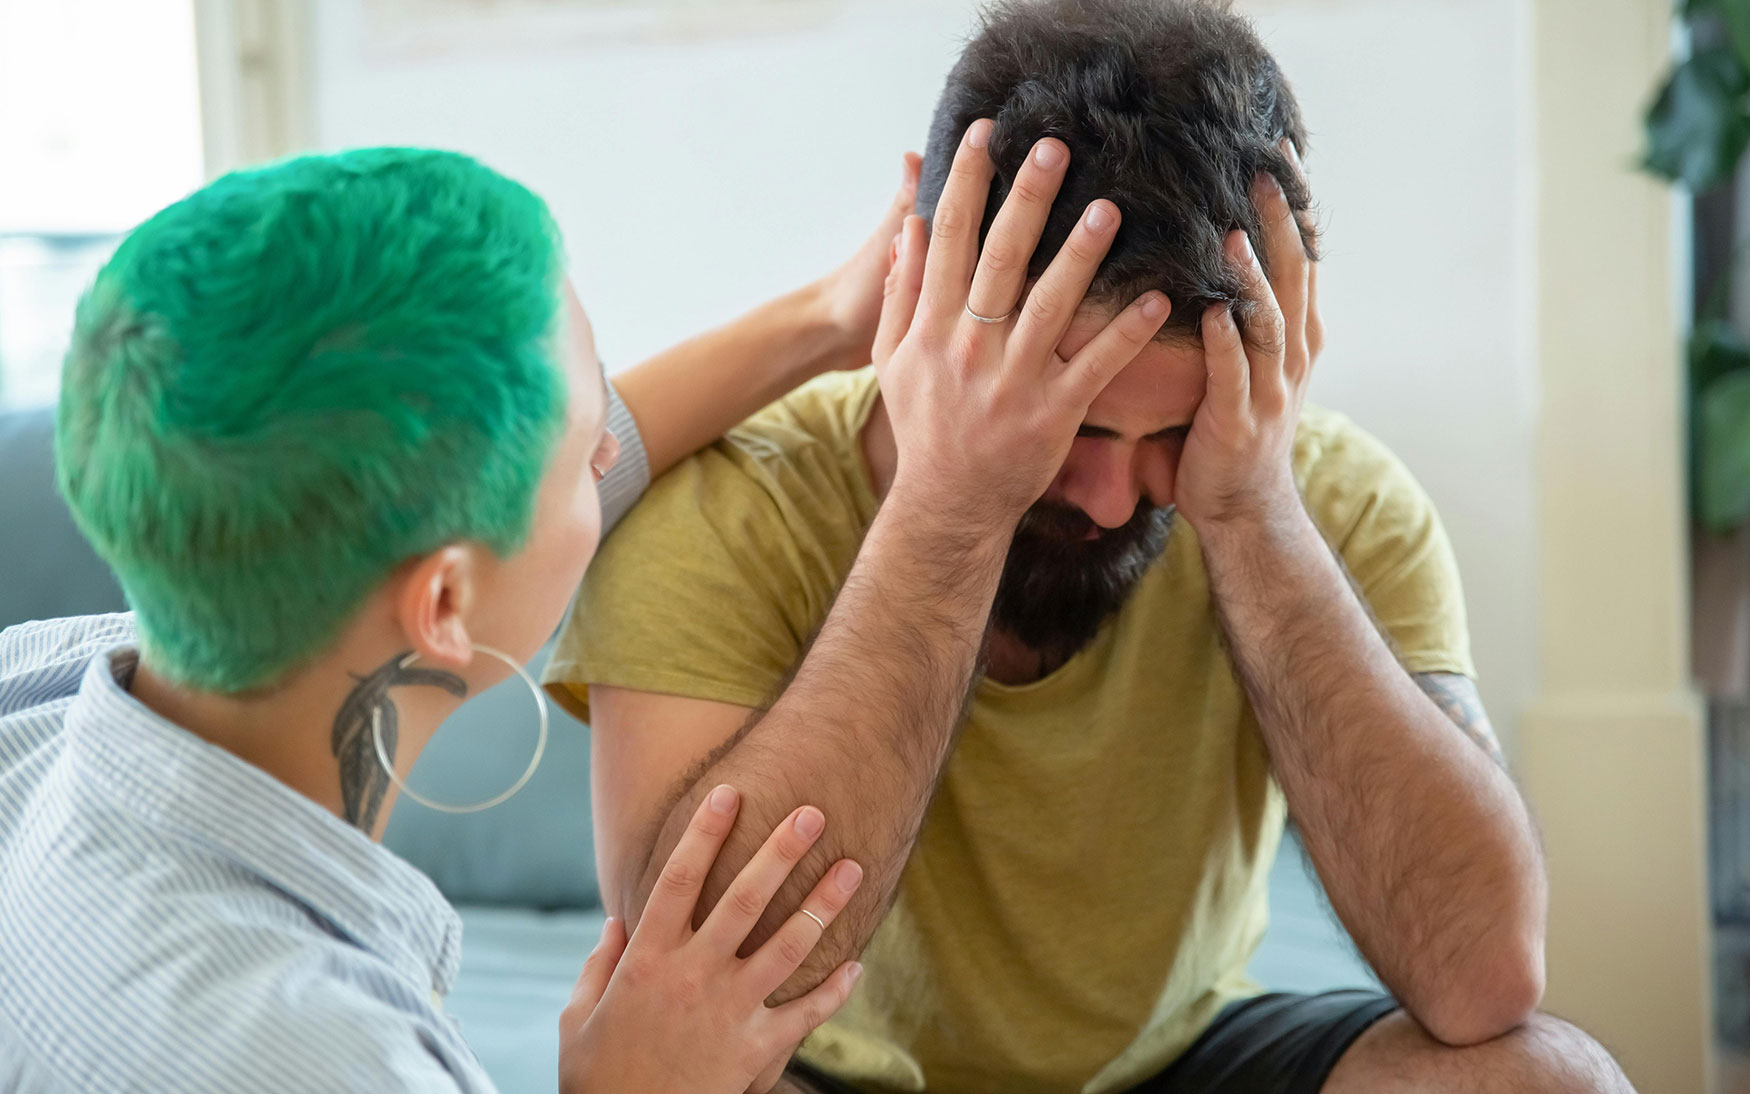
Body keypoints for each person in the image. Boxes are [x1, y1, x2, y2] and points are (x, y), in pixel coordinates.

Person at [547, 2, 1636, 1092]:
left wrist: (1251, 510)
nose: (1112, 498)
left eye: (1170, 431)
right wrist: (951, 506)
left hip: (1181, 1058)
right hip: (820, 1065)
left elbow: (1484, 975)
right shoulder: (731, 507)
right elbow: (682, 996)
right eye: (1060, 423)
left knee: (1548, 1076)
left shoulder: (1333, 503)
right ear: (929, 306)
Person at [0, 143, 1157, 1091]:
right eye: (575, 447)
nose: (613, 449)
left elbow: (531, 482)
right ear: (445, 602)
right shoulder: (326, 1055)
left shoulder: (37, 695)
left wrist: (825, 318)